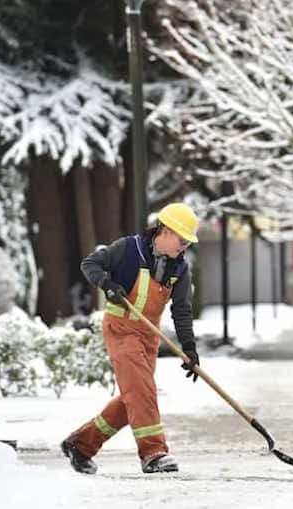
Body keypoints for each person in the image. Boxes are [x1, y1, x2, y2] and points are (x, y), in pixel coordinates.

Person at [61, 202, 200, 475]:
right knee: (142, 391)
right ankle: (153, 452)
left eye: (188, 243)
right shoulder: (127, 249)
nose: (184, 247)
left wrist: (190, 349)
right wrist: (108, 285)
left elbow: (182, 310)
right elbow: (90, 264)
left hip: (149, 337)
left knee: (132, 399)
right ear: (166, 230)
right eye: (182, 240)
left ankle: (80, 445)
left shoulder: (179, 269)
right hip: (121, 330)